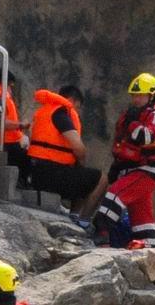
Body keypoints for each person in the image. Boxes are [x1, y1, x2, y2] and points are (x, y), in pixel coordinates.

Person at [94, 72, 155, 249]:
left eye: (140, 95)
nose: (136, 99)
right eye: (134, 95)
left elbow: (146, 137)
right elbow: (122, 143)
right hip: (130, 168)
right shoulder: (133, 113)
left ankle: (102, 238)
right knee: (141, 218)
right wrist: (116, 166)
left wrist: (132, 124)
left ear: (151, 95)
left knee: (114, 196)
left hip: (147, 170)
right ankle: (149, 249)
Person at [24, 85, 106, 221]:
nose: (76, 111)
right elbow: (79, 148)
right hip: (50, 175)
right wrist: (81, 161)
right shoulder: (61, 114)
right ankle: (83, 221)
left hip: (34, 171)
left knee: (81, 172)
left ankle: (74, 215)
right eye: (77, 107)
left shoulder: (44, 111)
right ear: (72, 101)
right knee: (101, 178)